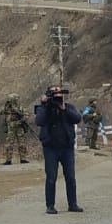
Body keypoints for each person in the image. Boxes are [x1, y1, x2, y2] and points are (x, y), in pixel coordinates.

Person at [35, 86, 83, 215]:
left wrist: (63, 108)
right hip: (51, 148)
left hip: (66, 148)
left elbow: (77, 119)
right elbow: (39, 121)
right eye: (54, 95)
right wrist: (44, 105)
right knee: (51, 177)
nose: (57, 97)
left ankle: (72, 204)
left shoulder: (68, 107)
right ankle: (50, 205)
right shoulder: (43, 108)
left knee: (71, 177)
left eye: (59, 94)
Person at [2, 94, 31, 164]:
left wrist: (21, 120)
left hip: (19, 127)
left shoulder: (20, 108)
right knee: (9, 144)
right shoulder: (7, 108)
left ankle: (23, 158)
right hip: (11, 128)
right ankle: (8, 160)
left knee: (22, 143)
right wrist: (6, 106)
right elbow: (0, 112)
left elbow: (27, 115)